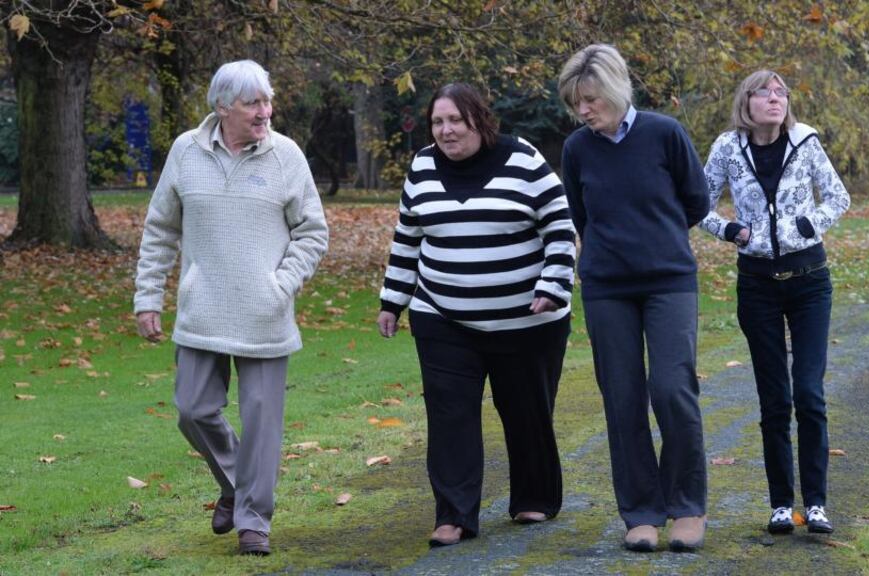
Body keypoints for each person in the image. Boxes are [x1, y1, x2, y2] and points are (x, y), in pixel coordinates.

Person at [133, 60, 329, 556]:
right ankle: (236, 485)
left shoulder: (286, 156)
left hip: (265, 314)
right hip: (202, 312)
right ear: (222, 107)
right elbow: (160, 230)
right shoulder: (185, 151)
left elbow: (313, 232)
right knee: (192, 409)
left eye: (267, 101)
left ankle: (254, 522)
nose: (265, 112)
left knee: (262, 422)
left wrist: (279, 285)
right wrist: (148, 297)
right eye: (252, 104)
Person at [376, 83, 576, 547]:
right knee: (450, 417)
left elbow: (561, 228)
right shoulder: (422, 165)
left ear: (479, 120)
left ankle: (535, 498)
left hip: (527, 321)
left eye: (455, 121)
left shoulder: (523, 160)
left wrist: (552, 286)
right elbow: (408, 238)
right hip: (442, 316)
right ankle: (454, 515)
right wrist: (393, 301)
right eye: (437, 122)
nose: (446, 131)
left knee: (527, 413)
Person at [557, 44, 710, 553]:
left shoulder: (665, 133)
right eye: (576, 102)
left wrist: (657, 239)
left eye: (592, 99)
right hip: (606, 288)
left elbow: (697, 200)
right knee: (622, 398)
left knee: (671, 389)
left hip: (669, 282)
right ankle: (641, 513)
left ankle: (687, 506)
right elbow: (583, 215)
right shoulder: (578, 148)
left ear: (617, 91)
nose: (584, 111)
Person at [700, 69, 850, 535]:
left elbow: (838, 197)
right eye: (764, 92)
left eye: (781, 91)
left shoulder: (805, 141)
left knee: (808, 392)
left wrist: (809, 225)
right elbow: (697, 202)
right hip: (757, 284)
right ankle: (782, 504)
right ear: (746, 102)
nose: (774, 98)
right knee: (774, 398)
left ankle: (818, 504)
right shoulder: (727, 147)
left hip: (809, 280)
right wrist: (727, 229)